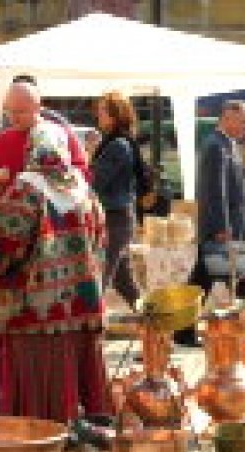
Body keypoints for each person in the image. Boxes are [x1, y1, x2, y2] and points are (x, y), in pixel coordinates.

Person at [0, 121, 109, 422]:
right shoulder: (83, 188)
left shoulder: (27, 189)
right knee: (75, 380)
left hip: (36, 310)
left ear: (31, 148)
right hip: (82, 306)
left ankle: (40, 440)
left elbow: (3, 247)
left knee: (37, 385)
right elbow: (101, 240)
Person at [174, 100, 245, 347]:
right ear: (226, 119)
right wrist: (222, 227)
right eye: (242, 121)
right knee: (216, 279)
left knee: (214, 279)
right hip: (219, 230)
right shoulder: (215, 147)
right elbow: (214, 191)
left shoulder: (229, 145)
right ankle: (233, 330)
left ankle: (193, 330)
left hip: (230, 228)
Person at [91, 91, 140, 310]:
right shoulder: (115, 142)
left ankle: (89, 333)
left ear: (114, 116)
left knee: (98, 280)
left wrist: (87, 159)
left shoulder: (117, 145)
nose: (98, 116)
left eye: (102, 111)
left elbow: (95, 180)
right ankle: (156, 326)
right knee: (125, 282)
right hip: (118, 218)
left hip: (115, 219)